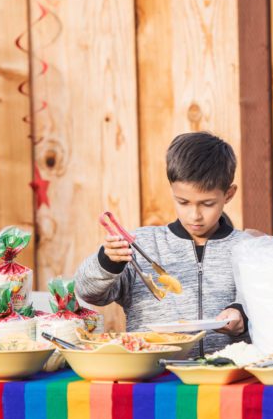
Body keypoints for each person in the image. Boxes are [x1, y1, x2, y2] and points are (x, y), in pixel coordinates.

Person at [74, 131, 250, 355]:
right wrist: (108, 262)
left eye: (207, 203)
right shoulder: (143, 245)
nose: (194, 215)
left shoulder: (247, 250)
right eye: (183, 202)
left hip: (224, 375)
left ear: (229, 194)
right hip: (152, 376)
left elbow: (268, 311)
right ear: (172, 191)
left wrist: (242, 317)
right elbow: (88, 293)